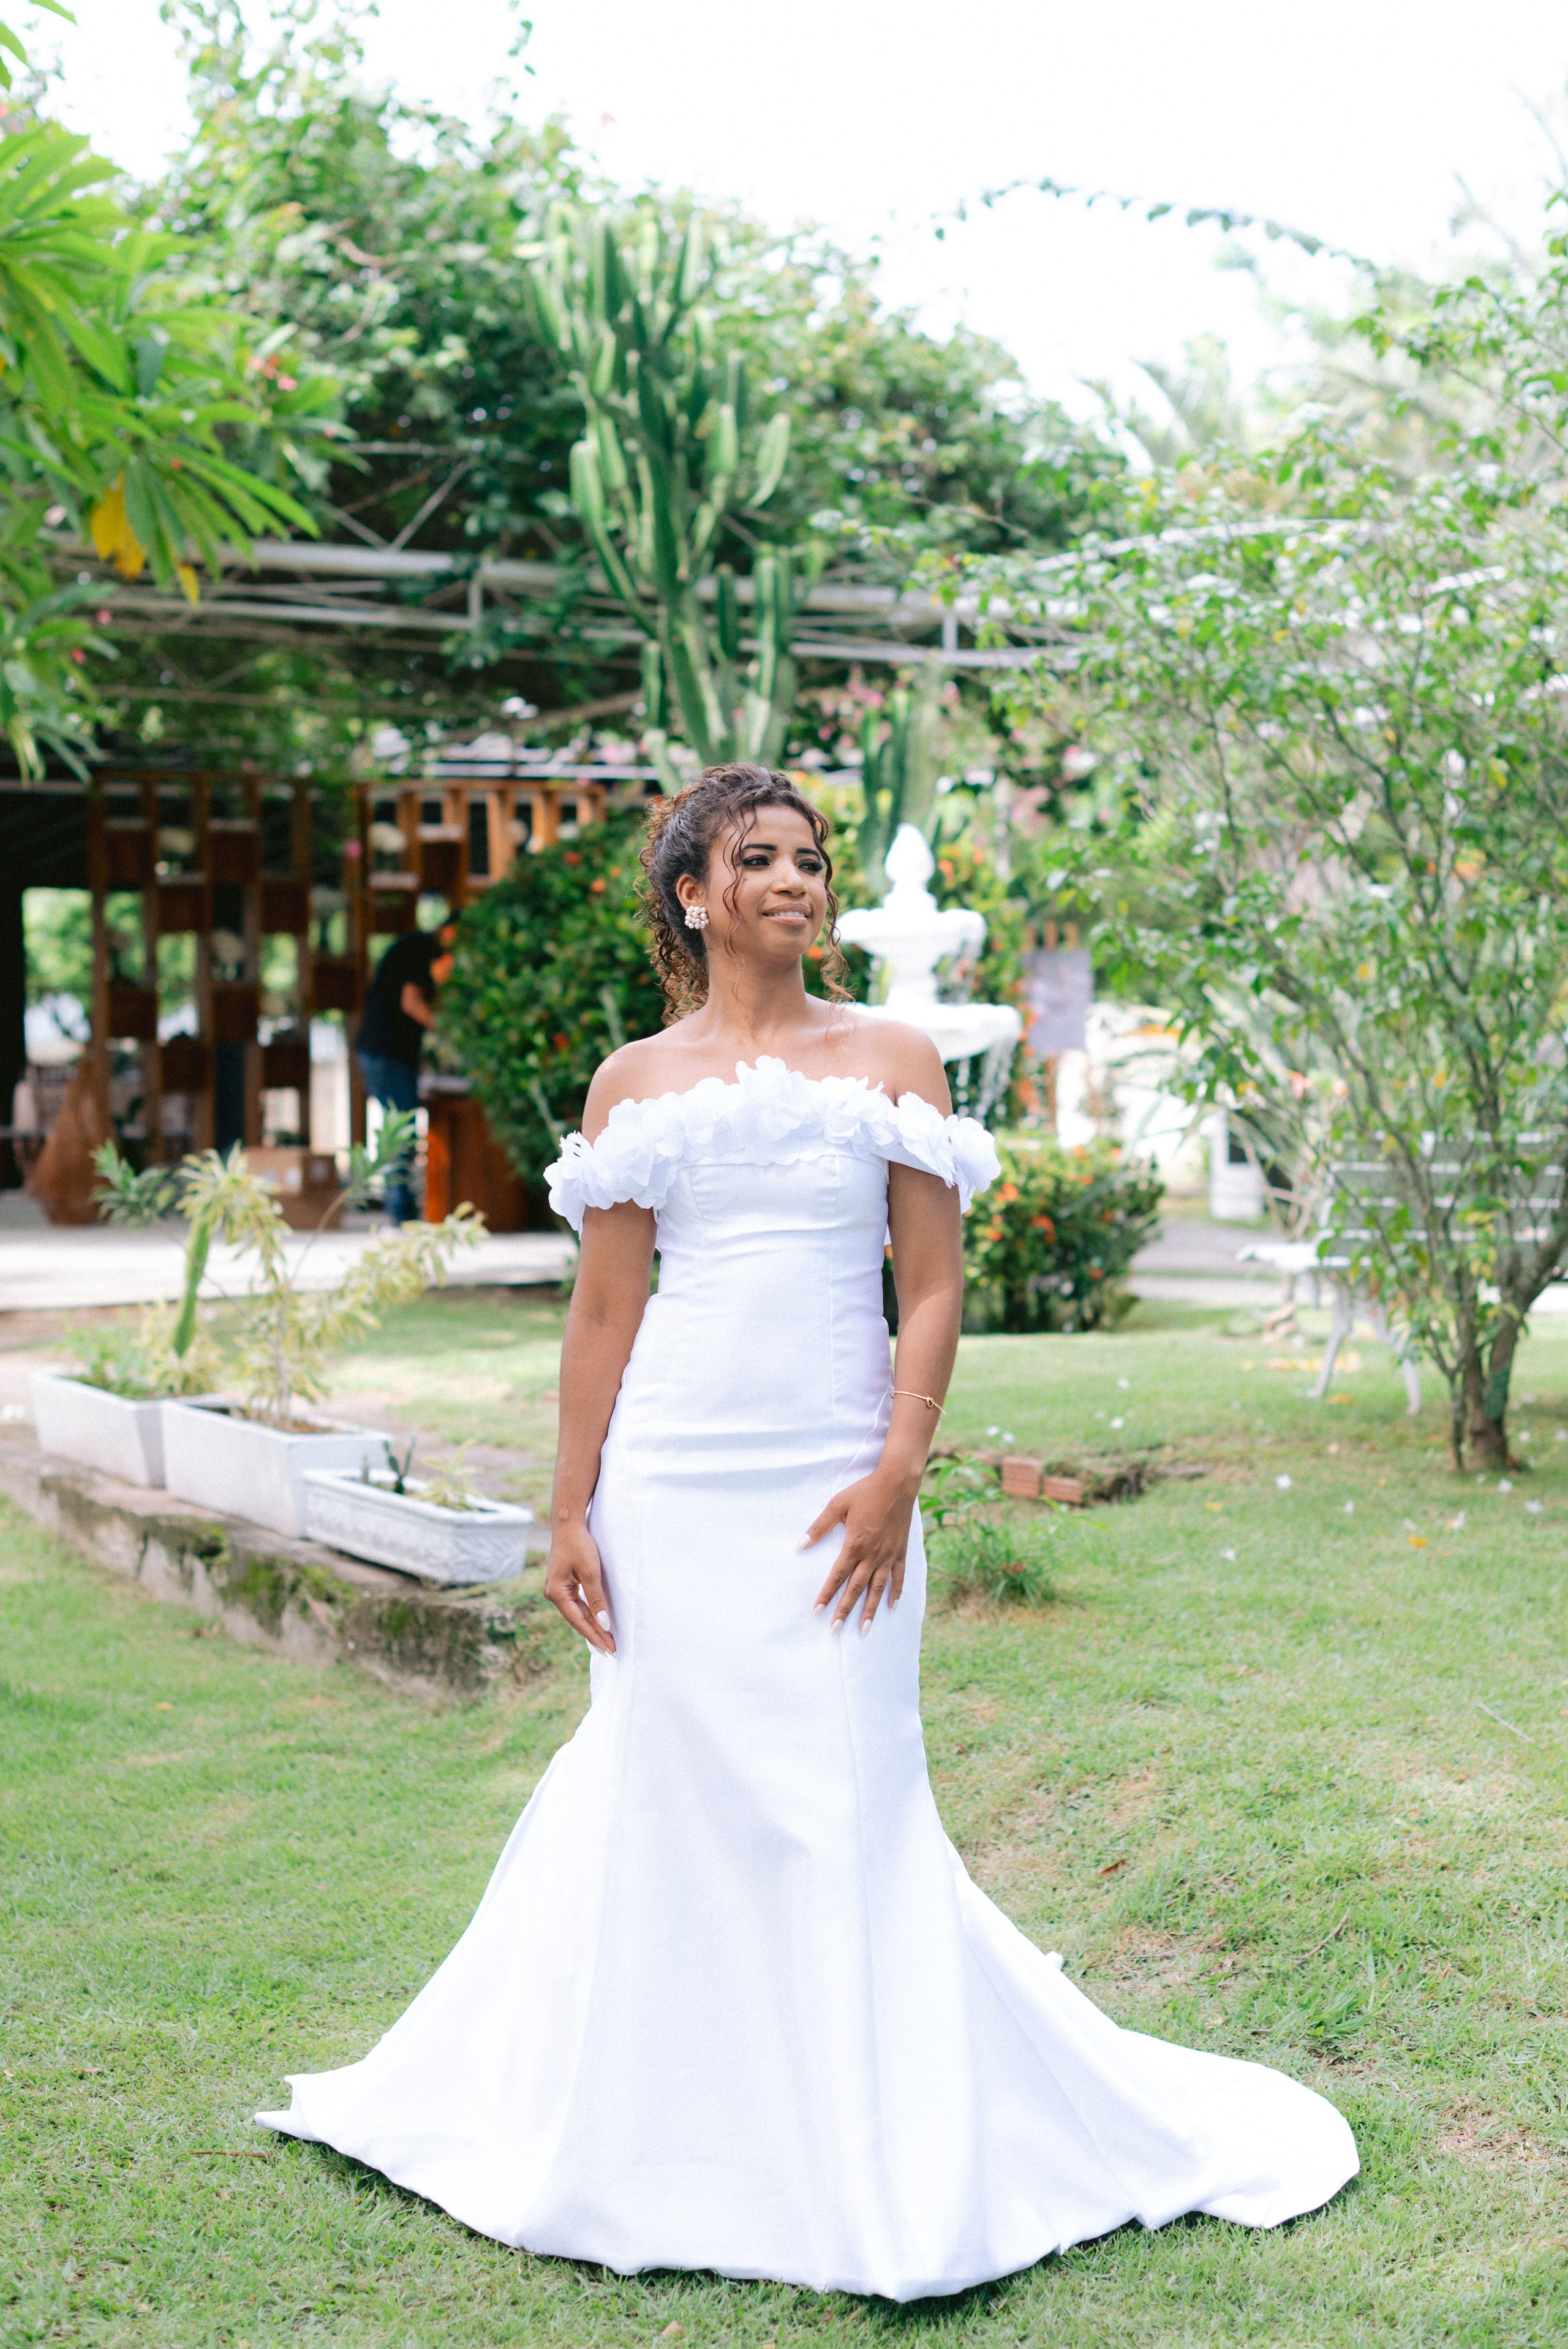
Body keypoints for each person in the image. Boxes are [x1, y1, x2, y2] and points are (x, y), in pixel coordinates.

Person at [258, 765, 1356, 2299]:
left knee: (845, 1791)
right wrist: (570, 1500)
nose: (795, 877)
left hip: (838, 1476)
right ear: (692, 895)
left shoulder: (895, 1054)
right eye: (757, 857)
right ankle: (654, 2133)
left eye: (811, 857)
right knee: (667, 1785)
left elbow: (928, 1280)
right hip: (672, 1483)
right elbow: (603, 1305)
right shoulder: (632, 1083)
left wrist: (900, 1464)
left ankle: (866, 2147)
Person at [353, 921, 455, 1225]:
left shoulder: (416, 948)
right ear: (450, 932)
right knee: (401, 1127)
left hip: (388, 1053)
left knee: (400, 1125)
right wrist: (451, 1031)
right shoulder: (422, 950)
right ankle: (400, 1211)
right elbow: (410, 1003)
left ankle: (402, 1207)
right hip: (385, 1052)